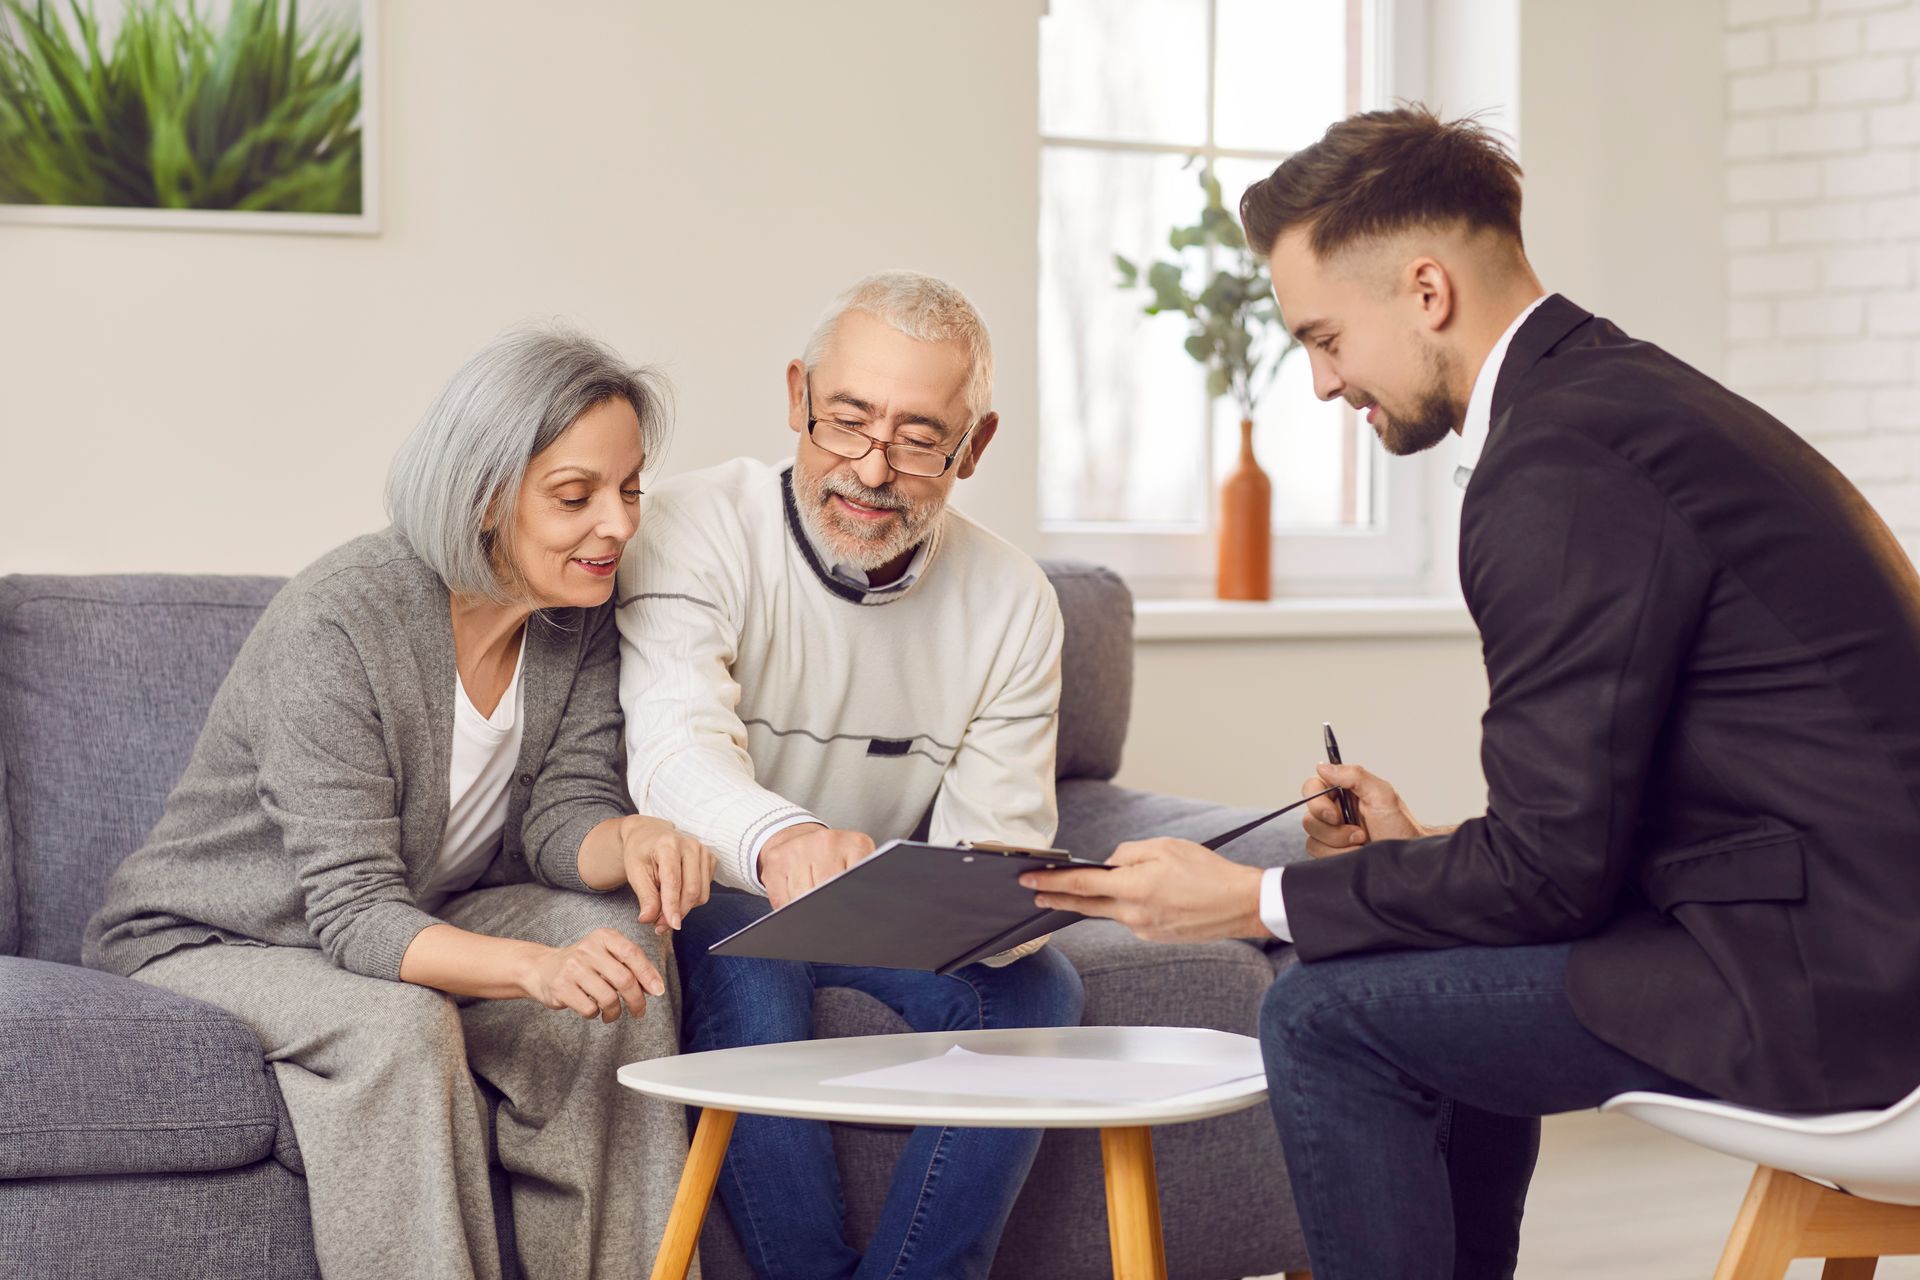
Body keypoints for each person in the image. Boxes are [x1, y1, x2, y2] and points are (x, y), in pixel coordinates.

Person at [1021, 106, 1920, 1280]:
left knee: (1323, 1018)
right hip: (1841, 932)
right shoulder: (1623, 403)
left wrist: (1249, 897)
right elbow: (1592, 833)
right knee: (1406, 970)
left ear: (1428, 288)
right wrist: (1426, 849)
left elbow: (1550, 873)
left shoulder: (1555, 461)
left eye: (1328, 336)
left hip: (1838, 982)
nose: (1325, 380)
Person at [85, 325, 717, 1280]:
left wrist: (631, 835)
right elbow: (352, 913)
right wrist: (534, 969)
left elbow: (559, 814)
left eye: (628, 489)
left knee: (622, 959)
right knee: (402, 1027)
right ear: (483, 499)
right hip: (220, 939)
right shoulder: (340, 622)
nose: (619, 525)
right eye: (575, 496)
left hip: (416, 914)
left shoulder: (575, 609)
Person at [616, 270, 1085, 1279]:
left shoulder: (1014, 600)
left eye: (920, 437)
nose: (872, 468)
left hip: (888, 920)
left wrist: (1012, 891)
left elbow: (987, 839)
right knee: (753, 955)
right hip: (718, 893)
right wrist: (783, 840)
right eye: (847, 420)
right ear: (797, 397)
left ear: (975, 445)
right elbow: (671, 749)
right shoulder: (691, 523)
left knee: (1038, 987)